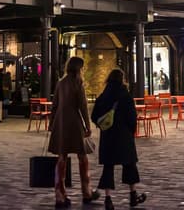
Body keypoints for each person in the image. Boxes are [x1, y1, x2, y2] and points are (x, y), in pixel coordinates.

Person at [90, 69, 148, 209]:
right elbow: (132, 117)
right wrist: (131, 130)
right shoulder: (125, 95)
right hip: (124, 136)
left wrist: (102, 125)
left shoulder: (103, 95)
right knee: (129, 165)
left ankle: (108, 199)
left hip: (108, 136)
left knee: (108, 167)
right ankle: (133, 195)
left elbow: (94, 116)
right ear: (122, 79)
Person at [48, 57, 98, 208]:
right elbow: (82, 106)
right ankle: (87, 191)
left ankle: (60, 195)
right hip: (75, 124)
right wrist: (88, 126)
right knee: (82, 157)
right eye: (82, 68)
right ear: (78, 69)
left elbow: (55, 104)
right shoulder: (78, 83)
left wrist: (51, 124)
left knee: (61, 158)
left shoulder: (60, 83)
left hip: (60, 123)